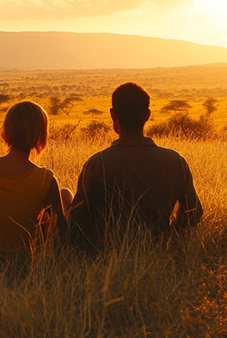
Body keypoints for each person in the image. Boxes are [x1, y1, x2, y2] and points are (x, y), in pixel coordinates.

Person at [68, 82, 203, 250]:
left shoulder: (98, 163)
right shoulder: (175, 161)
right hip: (159, 250)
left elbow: (78, 220)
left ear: (113, 115)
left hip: (108, 251)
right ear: (147, 115)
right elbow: (194, 212)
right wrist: (170, 235)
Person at [0, 101, 73, 255]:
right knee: (66, 196)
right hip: (22, 259)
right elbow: (61, 231)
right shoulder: (45, 178)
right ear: (41, 136)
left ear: (5, 132)